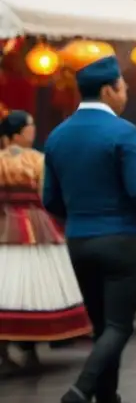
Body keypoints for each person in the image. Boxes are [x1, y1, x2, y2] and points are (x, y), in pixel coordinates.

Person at [43, 50, 136, 403]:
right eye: (122, 87)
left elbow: (50, 199)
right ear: (110, 90)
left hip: (79, 239)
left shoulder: (57, 135)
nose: (124, 94)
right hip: (121, 239)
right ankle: (82, 392)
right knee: (120, 325)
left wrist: (79, 217)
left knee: (102, 326)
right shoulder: (123, 132)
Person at [0, 111, 92, 375]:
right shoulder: (37, 160)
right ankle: (30, 350)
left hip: (4, 224)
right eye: (30, 126)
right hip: (35, 225)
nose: (33, 130)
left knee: (7, 286)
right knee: (35, 286)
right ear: (18, 133)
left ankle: (5, 350)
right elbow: (50, 195)